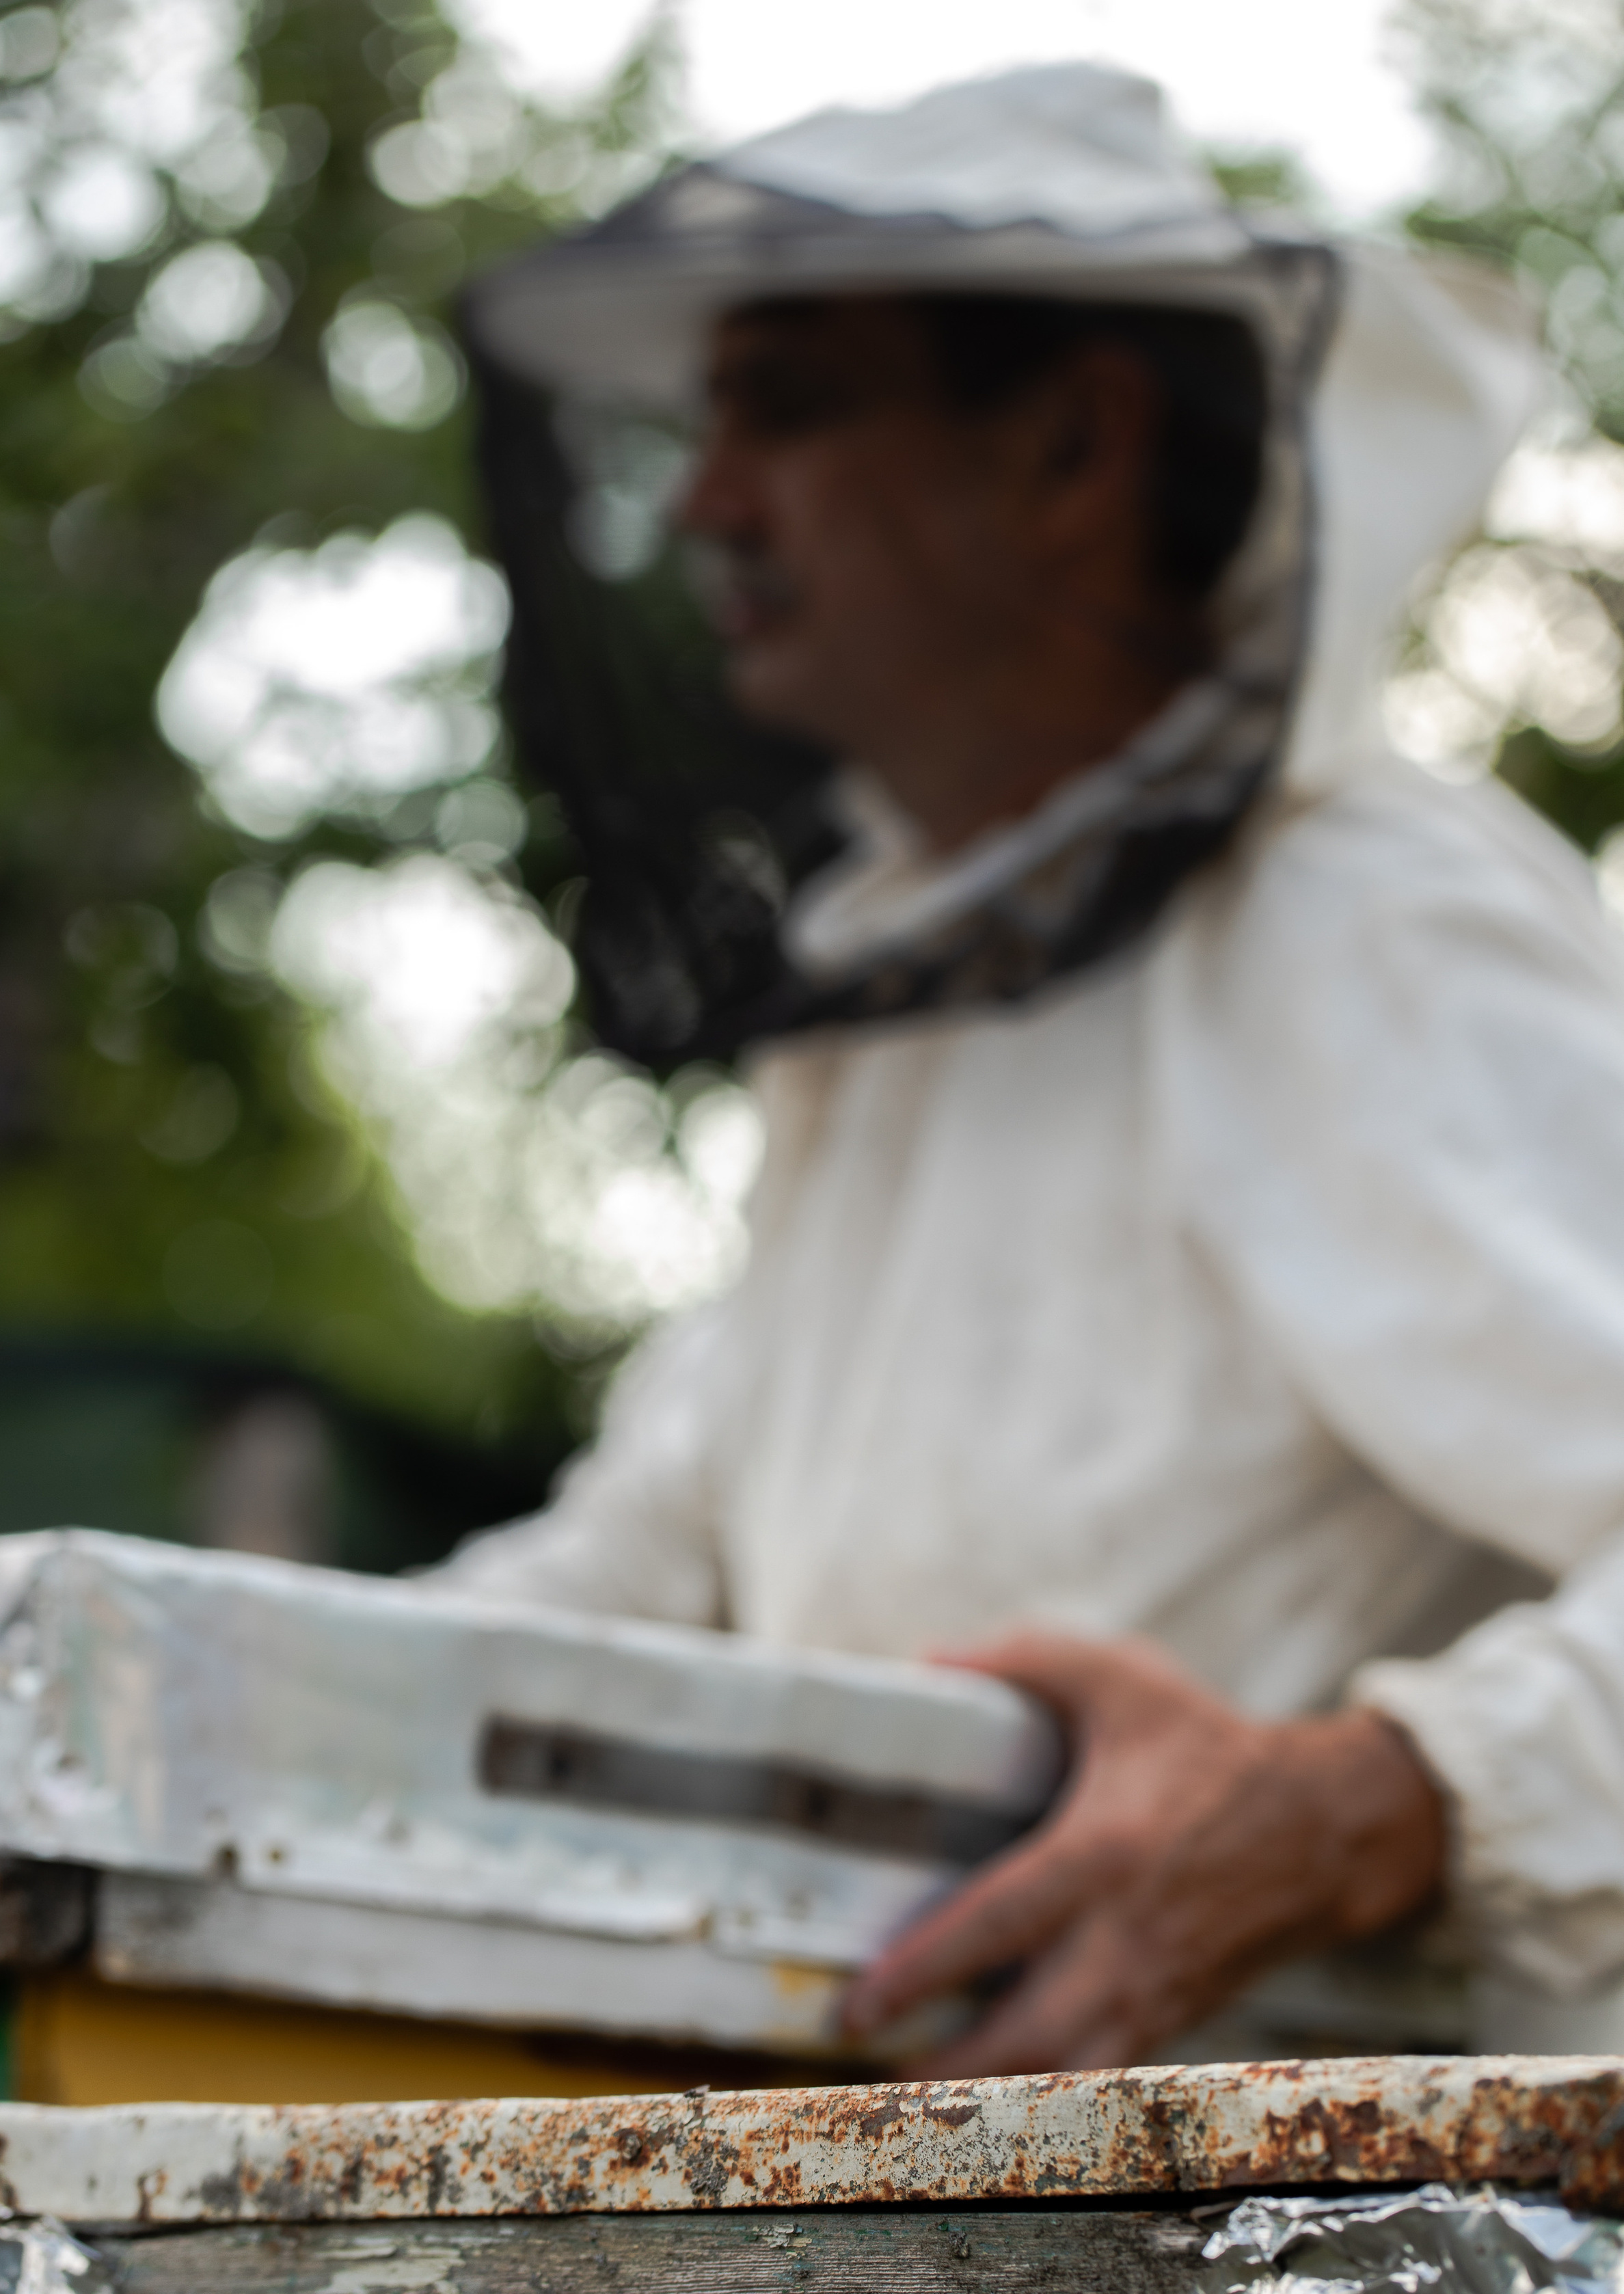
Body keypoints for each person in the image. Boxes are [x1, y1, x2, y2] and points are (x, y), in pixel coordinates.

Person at [439, 65, 1624, 2075]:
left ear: (1075, 445)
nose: (708, 502)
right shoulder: (902, 1001)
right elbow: (622, 1580)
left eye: (789, 406)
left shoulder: (1350, 923)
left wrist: (1382, 1797)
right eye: (705, 424)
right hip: (947, 2272)